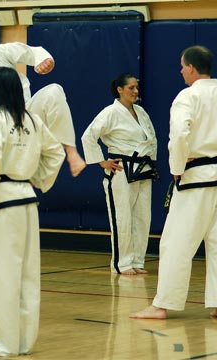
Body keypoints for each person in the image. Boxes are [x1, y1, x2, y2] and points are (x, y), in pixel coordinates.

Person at [130, 45, 217, 320]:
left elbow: (178, 134)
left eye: (181, 66)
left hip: (196, 178)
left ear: (190, 67)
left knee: (176, 242)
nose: (180, 71)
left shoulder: (187, 97)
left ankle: (162, 305)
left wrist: (176, 167)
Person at [0, 67, 64, 357]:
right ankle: (23, 342)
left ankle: (4, 344)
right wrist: (37, 180)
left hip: (1, 202)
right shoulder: (32, 121)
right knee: (27, 276)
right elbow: (56, 152)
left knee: (0, 276)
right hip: (26, 200)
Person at [0, 18, 85, 177]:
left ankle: (71, 152)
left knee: (54, 91)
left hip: (27, 111)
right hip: (1, 126)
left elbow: (32, 52)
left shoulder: (0, 52)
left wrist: (45, 62)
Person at [81, 73, 158, 275]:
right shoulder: (110, 112)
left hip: (143, 168)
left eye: (136, 87)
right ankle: (121, 263)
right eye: (131, 88)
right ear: (120, 90)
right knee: (122, 217)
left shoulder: (140, 112)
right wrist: (101, 162)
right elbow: (88, 136)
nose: (135, 91)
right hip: (122, 169)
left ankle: (137, 261)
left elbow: (151, 138)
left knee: (142, 218)